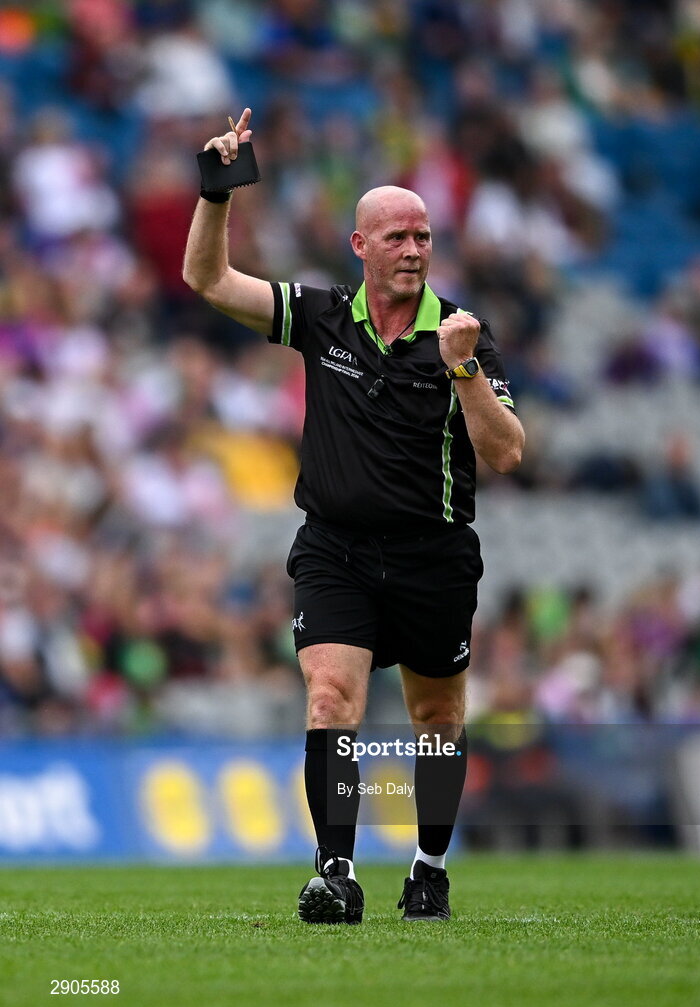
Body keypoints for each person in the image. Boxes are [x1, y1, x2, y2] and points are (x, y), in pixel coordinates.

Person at [183, 108, 525, 924]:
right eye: (397, 236)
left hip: (433, 554)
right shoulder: (323, 316)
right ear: (360, 247)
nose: (413, 249)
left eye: (423, 236)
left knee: (435, 716)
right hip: (333, 548)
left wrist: (465, 368)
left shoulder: (463, 333)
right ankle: (334, 872)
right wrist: (217, 193)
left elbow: (507, 453)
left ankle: (429, 868)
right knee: (329, 697)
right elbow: (208, 281)